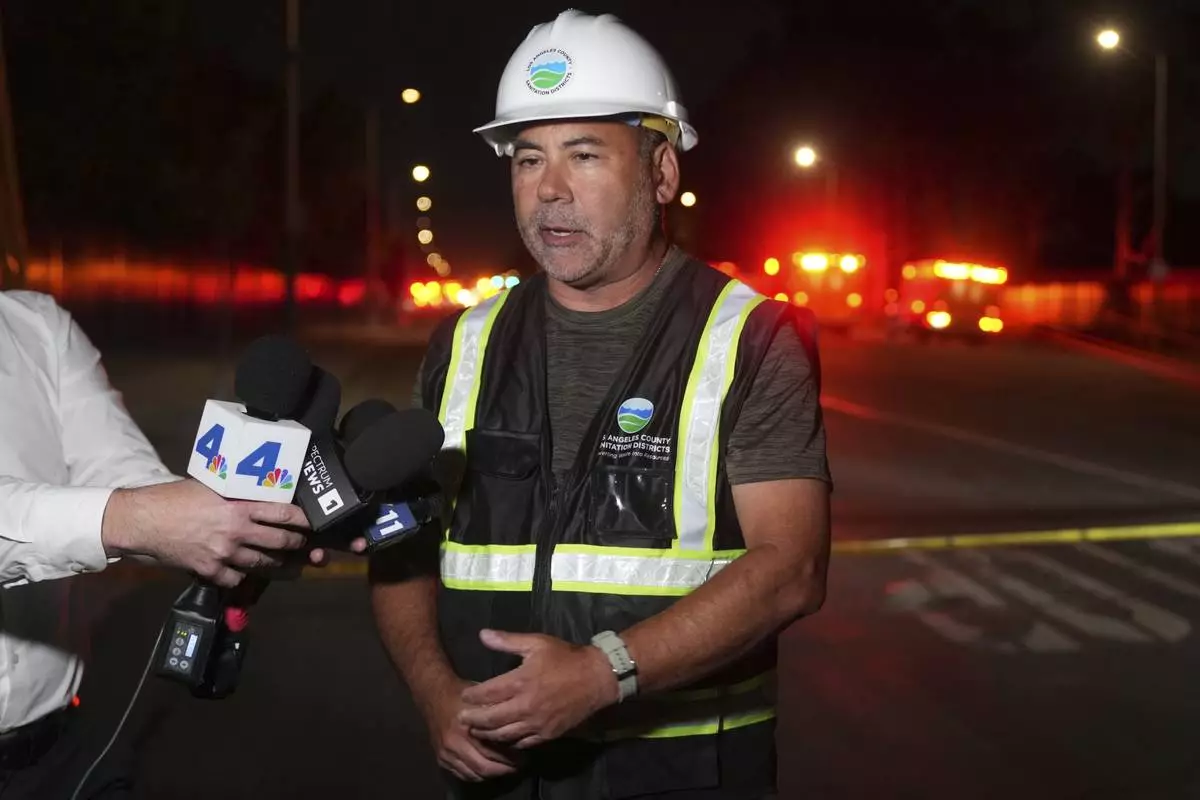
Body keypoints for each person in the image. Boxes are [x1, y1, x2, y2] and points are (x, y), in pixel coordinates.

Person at [371, 10, 831, 799]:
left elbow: (792, 568)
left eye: (584, 155)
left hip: (683, 777)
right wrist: (433, 692)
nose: (549, 190)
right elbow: (400, 546)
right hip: (498, 780)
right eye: (528, 159)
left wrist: (603, 673)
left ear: (662, 172)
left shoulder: (750, 339)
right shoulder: (464, 343)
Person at [0, 288, 318, 798]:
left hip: (62, 750)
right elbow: (135, 513)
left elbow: (118, 468)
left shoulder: (36, 322)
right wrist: (143, 519)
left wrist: (226, 519)